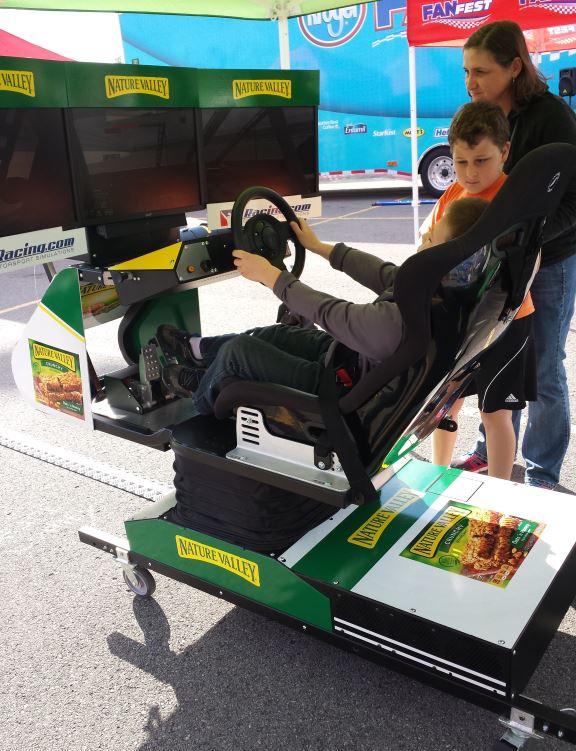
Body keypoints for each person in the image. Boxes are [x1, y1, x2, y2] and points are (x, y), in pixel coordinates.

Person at [158, 198, 487, 416]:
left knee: (239, 352)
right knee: (270, 334)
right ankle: (196, 351)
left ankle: (198, 393)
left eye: (433, 240)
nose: (425, 240)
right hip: (345, 360)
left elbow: (331, 313)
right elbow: (384, 273)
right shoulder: (438, 291)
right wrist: (319, 248)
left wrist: (273, 277)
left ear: (453, 261)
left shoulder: (400, 323)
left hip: (337, 391)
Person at [452, 20, 576, 489]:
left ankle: (543, 475)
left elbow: (574, 200)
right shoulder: (482, 113)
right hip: (501, 261)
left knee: (543, 366)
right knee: (496, 356)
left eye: (481, 71)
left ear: (515, 67)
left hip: (552, 261)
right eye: (466, 71)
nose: (471, 82)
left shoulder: (551, 118)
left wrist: (532, 236)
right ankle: (491, 452)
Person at [420, 100, 536, 480]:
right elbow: (428, 243)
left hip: (505, 321)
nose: (470, 173)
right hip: (458, 321)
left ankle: (498, 496)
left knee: (494, 413)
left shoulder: (514, 201)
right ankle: (438, 476)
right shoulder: (453, 193)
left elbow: (528, 267)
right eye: (461, 162)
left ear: (504, 151)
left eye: (481, 161)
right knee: (445, 403)